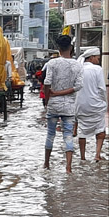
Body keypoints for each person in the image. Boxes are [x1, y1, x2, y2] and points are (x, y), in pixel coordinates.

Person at [43, 35, 84, 173]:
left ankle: (46, 164)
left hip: (53, 104)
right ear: (71, 48)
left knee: (50, 134)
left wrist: (50, 98)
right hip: (69, 106)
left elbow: (47, 83)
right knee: (68, 135)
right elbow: (78, 86)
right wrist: (62, 93)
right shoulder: (77, 65)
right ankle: (68, 167)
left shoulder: (52, 63)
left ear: (58, 48)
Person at [75, 48, 106, 161]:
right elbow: (102, 89)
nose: (98, 60)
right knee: (100, 130)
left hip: (80, 105)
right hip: (95, 104)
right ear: (91, 57)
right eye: (97, 58)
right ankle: (97, 155)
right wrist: (104, 102)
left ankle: (83, 157)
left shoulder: (78, 69)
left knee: (82, 131)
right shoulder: (97, 69)